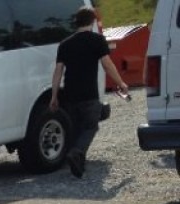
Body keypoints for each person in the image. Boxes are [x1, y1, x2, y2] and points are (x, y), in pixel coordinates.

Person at [49, 7, 129, 178]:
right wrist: (120, 83)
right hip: (89, 94)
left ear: (76, 22)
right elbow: (107, 65)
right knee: (91, 126)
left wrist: (54, 95)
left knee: (77, 129)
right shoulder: (97, 40)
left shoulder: (65, 44)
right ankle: (76, 153)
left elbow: (58, 71)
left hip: (69, 94)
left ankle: (79, 166)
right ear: (92, 22)